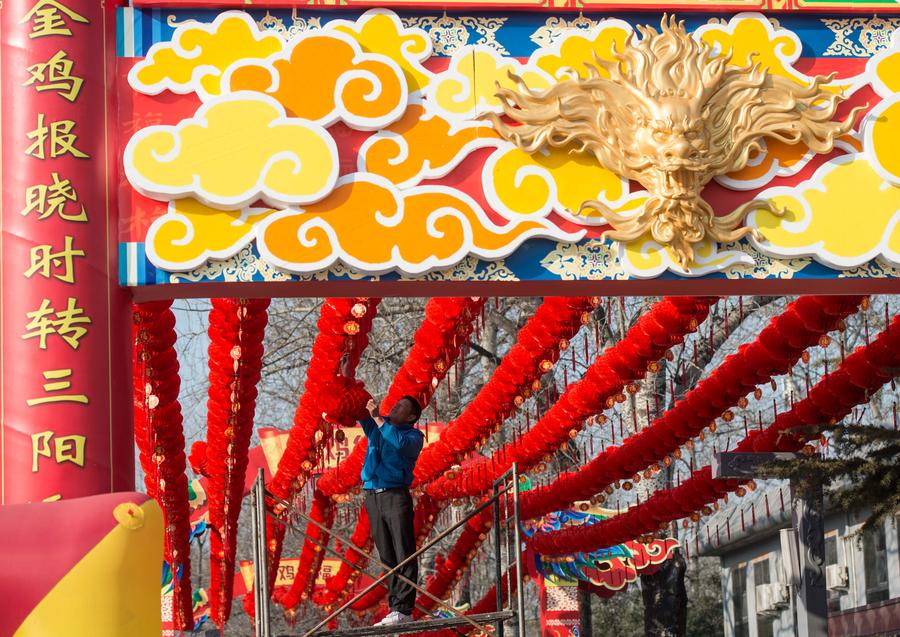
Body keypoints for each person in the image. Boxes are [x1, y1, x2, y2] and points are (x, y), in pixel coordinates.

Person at [360, 395, 425, 627]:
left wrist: (378, 419)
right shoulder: (380, 424)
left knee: (402, 550)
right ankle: (395, 607)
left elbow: (398, 442)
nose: (395, 407)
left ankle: (404, 609)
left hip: (395, 495)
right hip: (373, 495)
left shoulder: (413, 437)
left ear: (411, 417)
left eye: (401, 407)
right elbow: (360, 413)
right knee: (386, 554)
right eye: (396, 404)